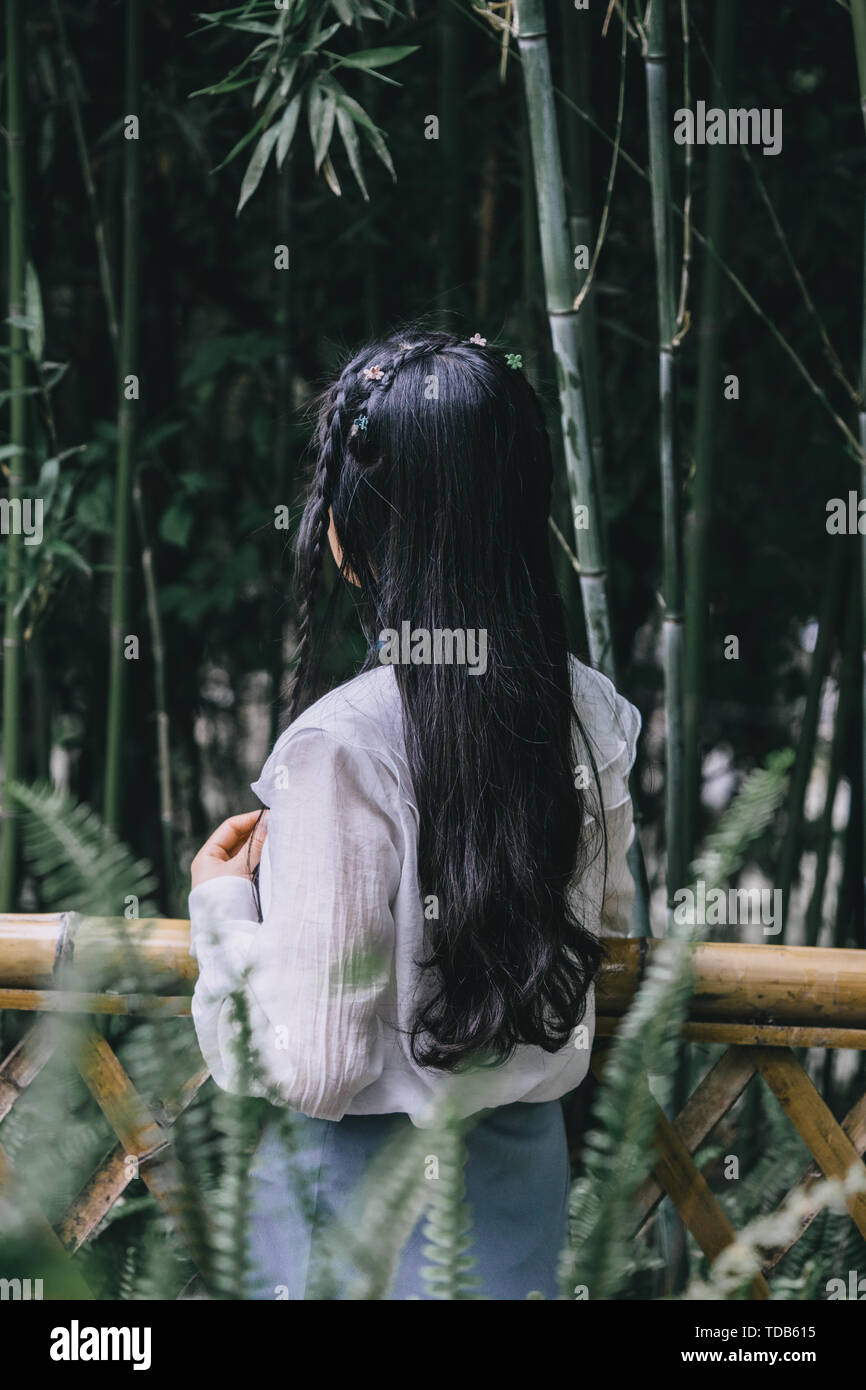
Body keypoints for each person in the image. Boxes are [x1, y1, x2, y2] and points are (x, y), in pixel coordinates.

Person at [188, 328, 641, 1300]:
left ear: (353, 533)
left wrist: (222, 907)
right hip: (519, 1186)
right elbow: (606, 931)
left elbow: (312, 1066)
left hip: (354, 1215)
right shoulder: (590, 713)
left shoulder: (341, 748)